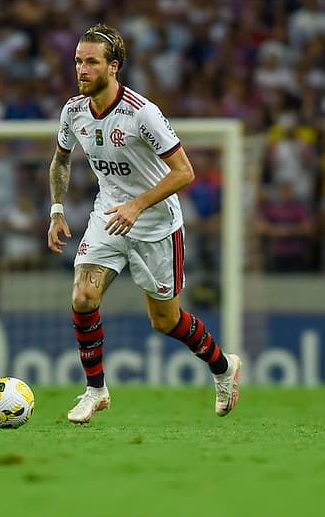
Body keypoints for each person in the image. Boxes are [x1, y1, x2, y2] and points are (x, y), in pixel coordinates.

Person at [46, 24, 242, 424]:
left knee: (165, 321)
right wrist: (56, 210)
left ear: (113, 67)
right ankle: (95, 391)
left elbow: (184, 172)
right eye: (78, 61)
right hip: (108, 216)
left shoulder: (142, 113)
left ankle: (223, 368)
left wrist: (137, 205)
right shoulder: (73, 111)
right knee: (83, 297)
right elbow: (61, 159)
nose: (81, 69)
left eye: (91, 62)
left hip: (155, 225)